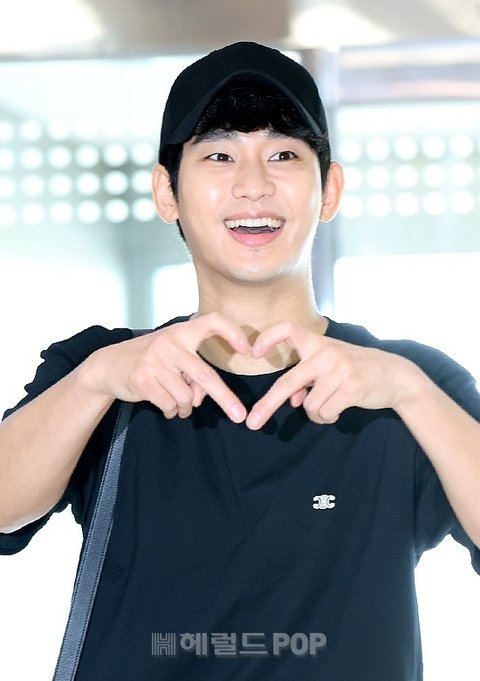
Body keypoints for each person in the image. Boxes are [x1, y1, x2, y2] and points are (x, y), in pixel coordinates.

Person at [0, 41, 479, 681]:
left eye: (284, 155)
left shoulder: (408, 384)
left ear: (330, 189)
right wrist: (95, 381)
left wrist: (411, 393)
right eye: (219, 155)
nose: (253, 186)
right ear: (167, 192)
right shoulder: (101, 369)